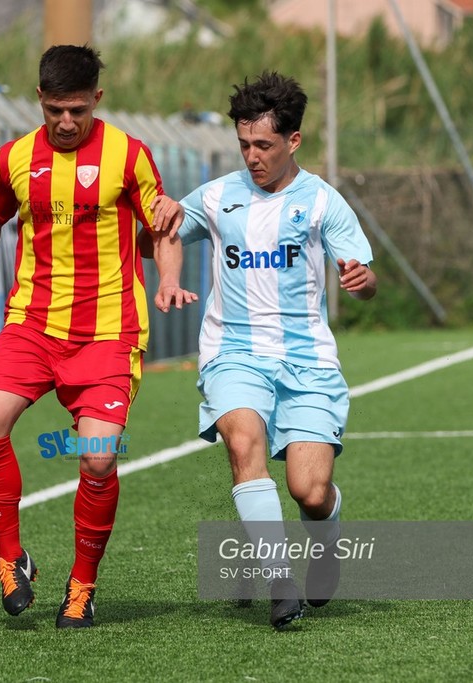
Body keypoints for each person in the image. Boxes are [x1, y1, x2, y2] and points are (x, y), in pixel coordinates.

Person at [0, 44, 196, 629]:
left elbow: (162, 225)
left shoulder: (129, 155)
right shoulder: (13, 158)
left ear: (96, 100)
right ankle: (11, 559)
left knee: (99, 459)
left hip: (108, 331)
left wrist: (169, 279)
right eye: (55, 109)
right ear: (40, 98)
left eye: (77, 110)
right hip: (32, 322)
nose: (64, 121)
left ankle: (81, 585)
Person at [151, 70, 377, 630]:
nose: (252, 156)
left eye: (264, 145)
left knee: (309, 490)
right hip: (233, 353)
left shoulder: (322, 201)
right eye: (244, 144)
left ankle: (326, 539)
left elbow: (366, 277)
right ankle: (280, 583)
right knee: (243, 442)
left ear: (293, 141)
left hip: (308, 363)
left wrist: (360, 280)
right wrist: (168, 270)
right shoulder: (218, 196)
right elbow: (166, 230)